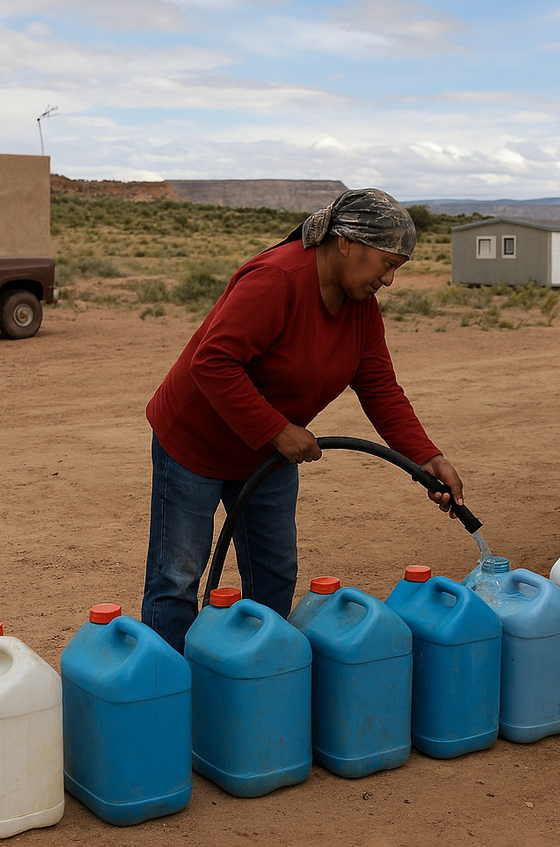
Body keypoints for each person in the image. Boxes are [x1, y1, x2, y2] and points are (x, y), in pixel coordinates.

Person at [142, 187, 465, 653]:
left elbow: (379, 388)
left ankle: (258, 681)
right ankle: (163, 693)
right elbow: (212, 362)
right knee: (177, 578)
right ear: (347, 242)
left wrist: (426, 457)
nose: (389, 281)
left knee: (273, 574)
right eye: (387, 264)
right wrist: (277, 429)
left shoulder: (360, 310)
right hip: (197, 443)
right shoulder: (277, 279)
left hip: (267, 456)